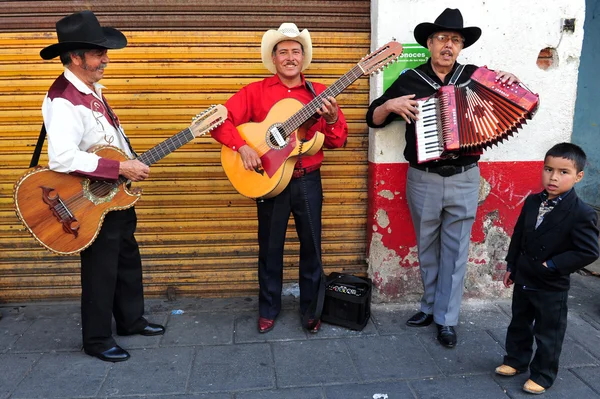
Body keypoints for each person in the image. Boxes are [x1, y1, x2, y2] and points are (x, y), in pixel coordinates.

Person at [366, 8, 521, 348]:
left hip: (465, 176)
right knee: (427, 247)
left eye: (455, 40)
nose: (448, 45)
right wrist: (391, 106)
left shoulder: (476, 76)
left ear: (461, 46)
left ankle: (446, 319)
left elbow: (510, 96)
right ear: (429, 43)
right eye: (442, 39)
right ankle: (429, 306)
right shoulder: (411, 79)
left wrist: (507, 80)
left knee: (455, 250)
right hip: (423, 178)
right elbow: (372, 118)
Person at [40, 10, 165, 362]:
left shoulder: (90, 90)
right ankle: (96, 340)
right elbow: (61, 157)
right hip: (87, 200)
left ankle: (130, 320)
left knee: (126, 256)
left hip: (111, 193)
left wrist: (126, 164)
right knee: (100, 268)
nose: (105, 60)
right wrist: (120, 165)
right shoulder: (64, 98)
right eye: (98, 53)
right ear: (76, 57)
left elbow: (103, 141)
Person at [211, 23, 348, 333]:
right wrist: (242, 146)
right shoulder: (255, 91)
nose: (290, 57)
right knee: (270, 248)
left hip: (307, 179)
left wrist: (331, 119)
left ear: (303, 58)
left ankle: (311, 311)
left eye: (295, 51)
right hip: (269, 180)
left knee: (312, 248)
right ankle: (268, 308)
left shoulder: (320, 94)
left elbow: (339, 140)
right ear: (273, 59)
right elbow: (219, 121)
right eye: (283, 51)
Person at [495, 143, 599, 395]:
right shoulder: (532, 201)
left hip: (551, 284)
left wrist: (551, 264)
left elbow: (588, 251)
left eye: (564, 172)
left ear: (578, 176)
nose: (553, 177)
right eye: (548, 169)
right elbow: (519, 234)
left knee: (548, 332)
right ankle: (516, 361)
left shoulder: (581, 212)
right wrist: (511, 265)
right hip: (524, 276)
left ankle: (543, 374)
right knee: (519, 323)